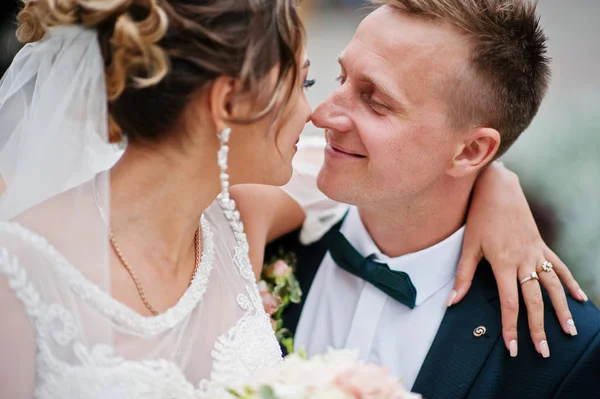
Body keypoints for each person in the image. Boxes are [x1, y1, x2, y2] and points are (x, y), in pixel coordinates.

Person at [0, 0, 585, 398]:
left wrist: (496, 185)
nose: (320, 115)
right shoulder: (20, 270)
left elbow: (433, 169)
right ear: (228, 102)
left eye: (372, 98)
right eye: (310, 82)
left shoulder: (239, 217)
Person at [268, 0, 600, 397]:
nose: (322, 115)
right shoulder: (254, 233)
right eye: (341, 79)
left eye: (375, 101)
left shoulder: (562, 353)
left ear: (471, 152)